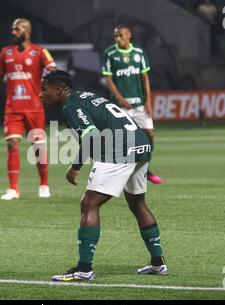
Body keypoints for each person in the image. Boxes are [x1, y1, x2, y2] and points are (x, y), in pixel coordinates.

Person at [40, 70, 168, 282]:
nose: (41, 94)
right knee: (138, 204)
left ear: (60, 90)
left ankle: (84, 270)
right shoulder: (86, 96)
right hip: (141, 144)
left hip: (121, 148)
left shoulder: (71, 105)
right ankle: (158, 263)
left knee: (89, 204)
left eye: (44, 90)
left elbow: (91, 136)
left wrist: (75, 166)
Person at [0, 18, 57, 200]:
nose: (13, 32)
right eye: (12, 29)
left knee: (37, 146)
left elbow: (52, 67)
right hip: (13, 108)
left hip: (34, 108)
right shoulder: (5, 53)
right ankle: (13, 189)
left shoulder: (39, 51)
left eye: (17, 29)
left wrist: (54, 71)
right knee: (12, 143)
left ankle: (44, 184)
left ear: (27, 31)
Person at [102, 25, 164, 185]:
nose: (118, 39)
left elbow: (145, 77)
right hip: (121, 106)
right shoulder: (110, 53)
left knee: (149, 135)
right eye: (115, 36)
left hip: (139, 104)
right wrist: (120, 98)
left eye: (121, 36)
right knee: (125, 139)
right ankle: (120, 172)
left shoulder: (139, 52)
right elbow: (108, 79)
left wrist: (148, 100)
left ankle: (145, 168)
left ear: (129, 35)